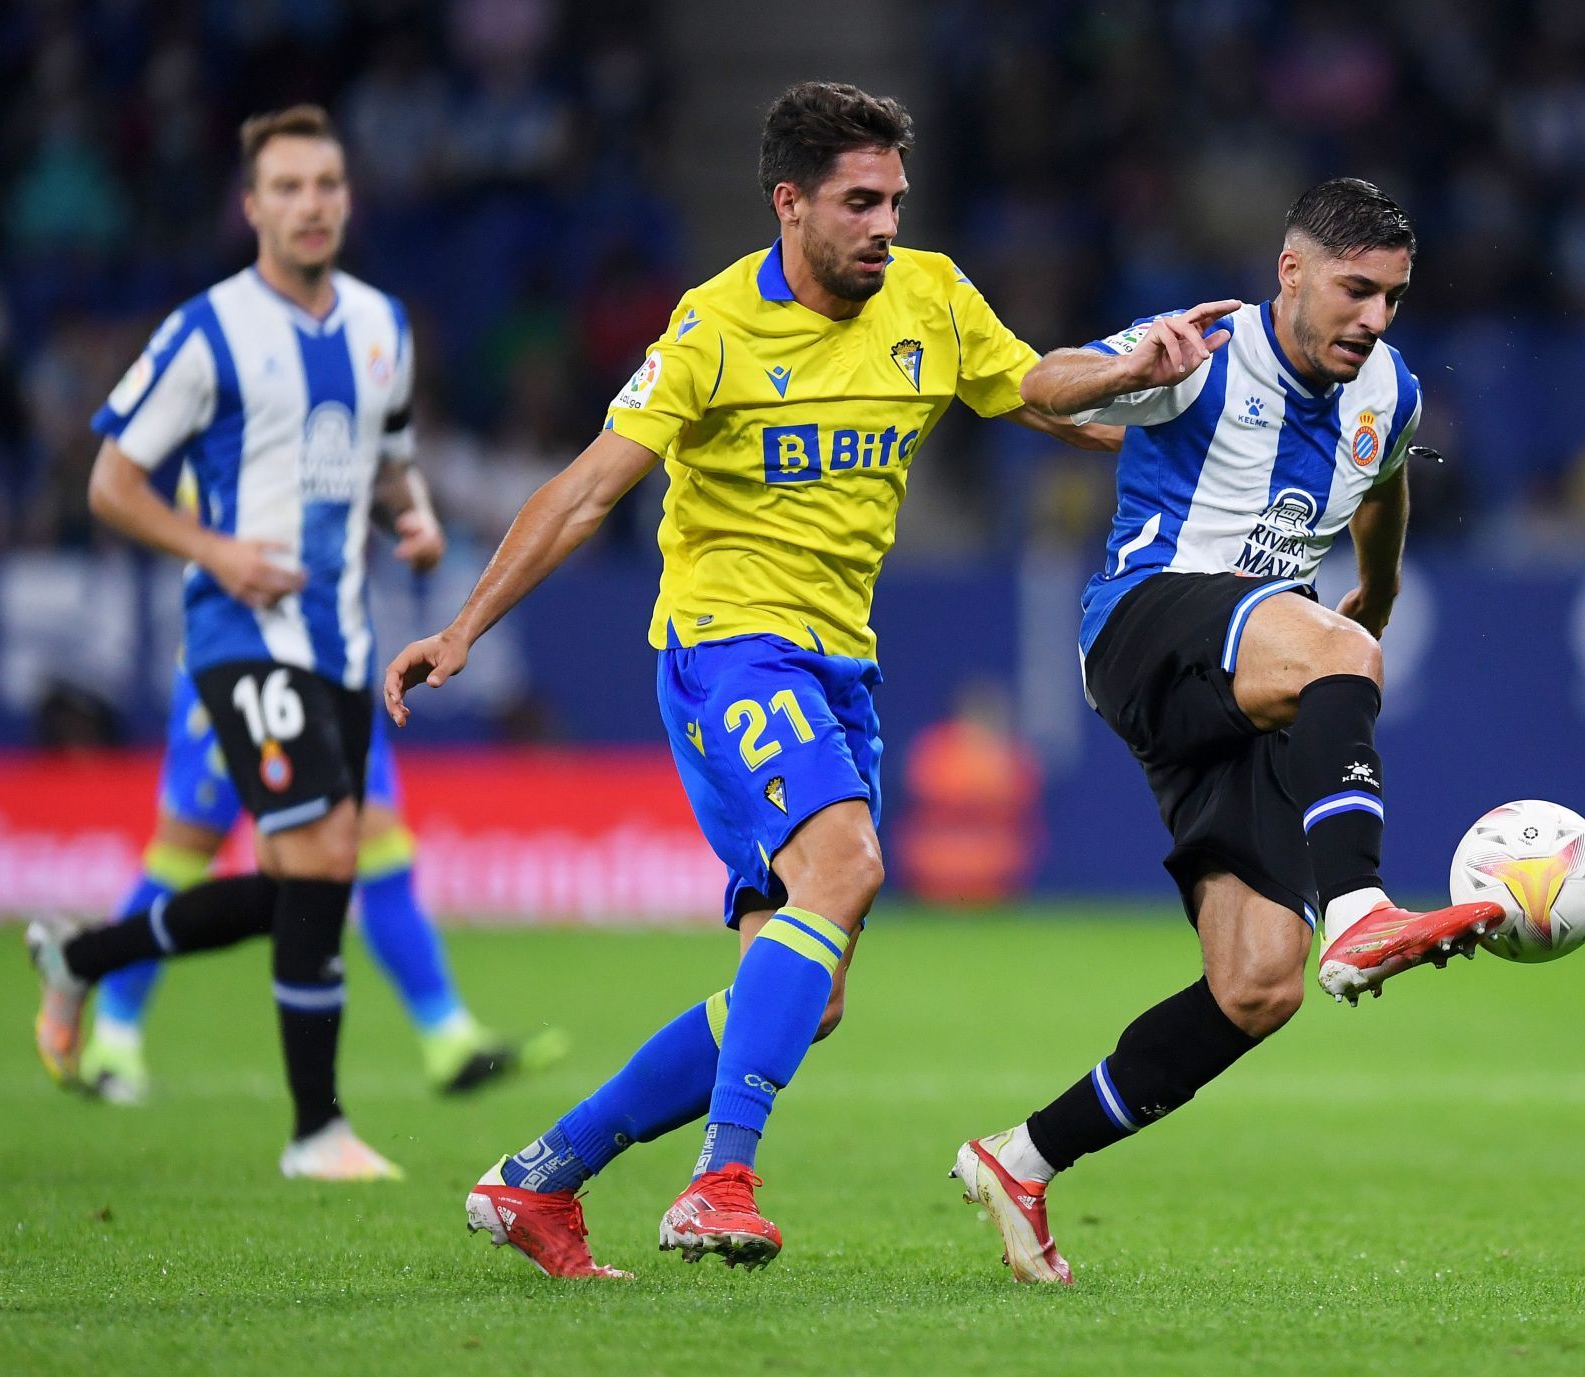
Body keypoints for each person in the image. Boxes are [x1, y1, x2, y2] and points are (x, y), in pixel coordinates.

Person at [382, 80, 1114, 1278]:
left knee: (804, 992)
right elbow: (586, 490)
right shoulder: (712, 328)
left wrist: (1159, 383)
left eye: (896, 200)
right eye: (860, 202)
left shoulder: (931, 296)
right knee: (850, 867)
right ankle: (719, 1182)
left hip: (839, 664)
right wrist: (463, 627)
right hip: (727, 646)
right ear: (790, 202)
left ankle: (537, 1181)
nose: (887, 224)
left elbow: (1032, 386)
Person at [951, 178, 1505, 1283]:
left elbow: (1385, 484)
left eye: (1393, 297)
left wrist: (1381, 593)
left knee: (1258, 985)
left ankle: (1020, 1159)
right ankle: (1362, 907)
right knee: (1337, 659)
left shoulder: (1385, 388)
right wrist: (1125, 370)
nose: (1375, 319)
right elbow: (1036, 382)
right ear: (1291, 272)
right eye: (1356, 290)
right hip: (1149, 623)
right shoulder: (1203, 350)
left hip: (1248, 668)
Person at [26, 104, 431, 1181]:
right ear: (251, 206)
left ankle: (84, 955)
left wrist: (414, 514)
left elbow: (389, 453)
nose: (311, 206)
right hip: (241, 634)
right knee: (323, 861)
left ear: (349, 196)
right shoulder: (207, 330)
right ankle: (317, 1132)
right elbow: (113, 481)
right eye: (288, 188)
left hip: (342, 642)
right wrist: (216, 551)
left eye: (328, 186)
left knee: (315, 882)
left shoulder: (383, 323)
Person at [78, 655, 566, 1105]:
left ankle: (448, 1038)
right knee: (184, 853)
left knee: (381, 850)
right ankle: (111, 1039)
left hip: (332, 662)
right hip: (243, 658)